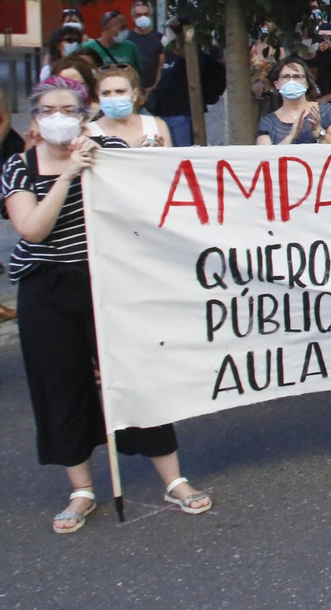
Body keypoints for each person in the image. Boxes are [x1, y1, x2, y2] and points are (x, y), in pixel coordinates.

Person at [2, 77, 212, 531]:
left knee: (136, 377)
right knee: (62, 384)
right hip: (47, 289)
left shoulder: (109, 154)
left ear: (84, 114)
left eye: (68, 110)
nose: (58, 118)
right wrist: (68, 174)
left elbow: (151, 204)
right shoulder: (19, 166)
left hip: (109, 282)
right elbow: (33, 229)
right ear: (35, 118)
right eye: (47, 111)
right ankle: (80, 491)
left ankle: (173, 479)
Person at [256, 57, 331, 145]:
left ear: (307, 83)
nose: (292, 81)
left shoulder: (326, 111)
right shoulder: (268, 123)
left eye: (297, 76)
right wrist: (290, 137)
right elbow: (266, 157)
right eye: (286, 77)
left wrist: (319, 132)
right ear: (277, 84)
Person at [86, 65, 171, 147]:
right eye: (106, 93)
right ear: (98, 96)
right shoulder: (89, 132)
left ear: (135, 94)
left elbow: (171, 159)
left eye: (120, 91)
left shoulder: (157, 125)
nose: (113, 97)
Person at [145, 24, 196, 146]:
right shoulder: (168, 57)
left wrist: (170, 27)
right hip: (163, 113)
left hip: (180, 114)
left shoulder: (185, 58)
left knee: (183, 150)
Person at [124, 0, 164, 90]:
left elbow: (161, 66)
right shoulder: (126, 38)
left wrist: (154, 88)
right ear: (132, 18)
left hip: (153, 90)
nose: (142, 17)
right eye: (138, 15)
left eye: (146, 14)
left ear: (150, 16)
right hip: (131, 89)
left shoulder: (160, 38)